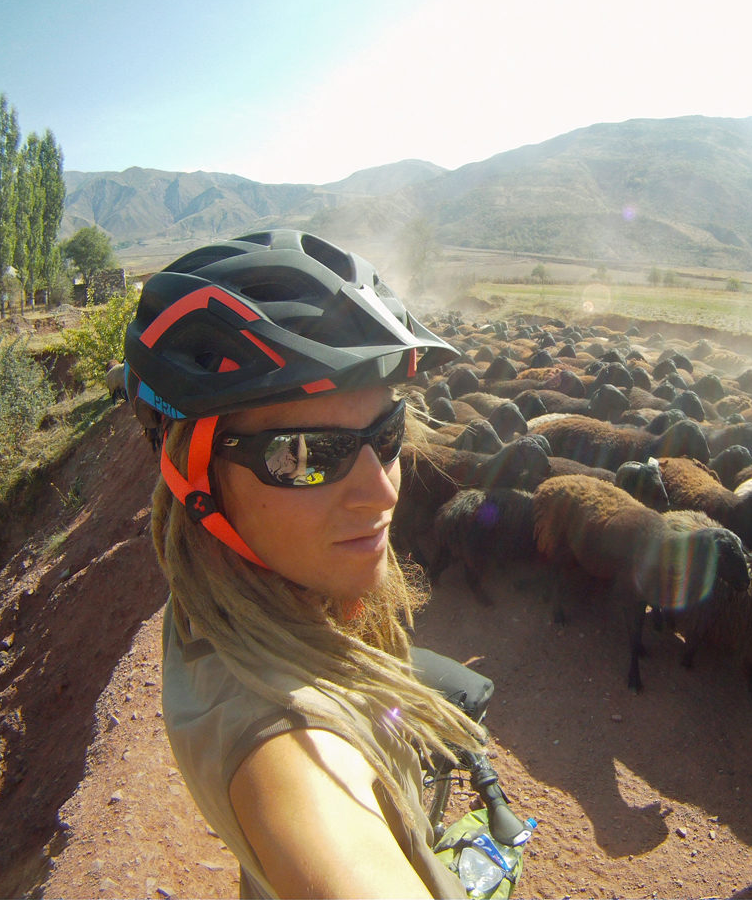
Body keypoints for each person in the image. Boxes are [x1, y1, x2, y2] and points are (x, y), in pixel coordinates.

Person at [123, 229, 487, 899]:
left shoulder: (230, 587)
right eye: (307, 455)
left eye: (387, 435)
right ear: (195, 477)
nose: (382, 492)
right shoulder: (294, 760)